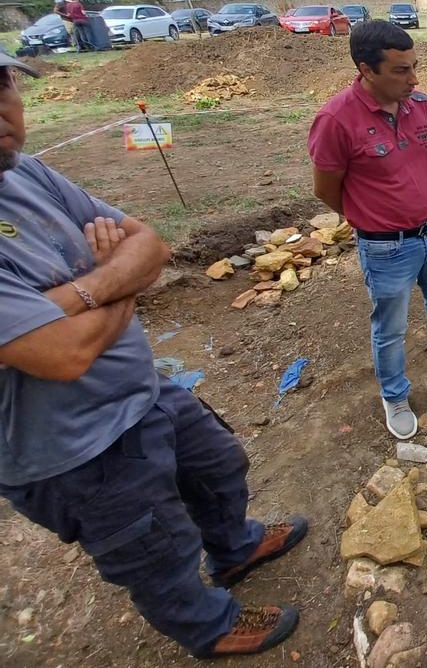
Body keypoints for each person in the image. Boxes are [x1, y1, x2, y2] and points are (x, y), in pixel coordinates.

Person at [0, 51, 307, 659]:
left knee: (218, 464)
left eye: (0, 84)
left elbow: (150, 245)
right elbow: (65, 355)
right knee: (152, 544)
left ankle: (234, 547)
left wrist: (85, 293)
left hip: (143, 390)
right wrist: (115, 280)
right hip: (74, 446)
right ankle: (207, 626)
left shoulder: (25, 174)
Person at [308, 21, 427, 441]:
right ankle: (394, 395)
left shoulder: (421, 104)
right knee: (390, 326)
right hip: (385, 246)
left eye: (414, 67)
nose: (413, 79)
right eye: (400, 70)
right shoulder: (336, 119)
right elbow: (326, 190)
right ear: (366, 70)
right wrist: (371, 217)